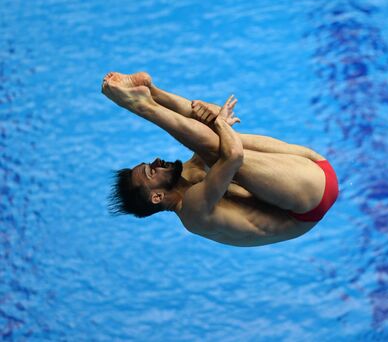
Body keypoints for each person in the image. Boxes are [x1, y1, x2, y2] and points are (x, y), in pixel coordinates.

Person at [102, 71, 338, 247]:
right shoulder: (193, 212)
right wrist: (219, 123)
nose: (154, 162)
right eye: (150, 172)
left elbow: (212, 122)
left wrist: (215, 119)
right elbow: (233, 155)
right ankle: (142, 106)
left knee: (210, 134)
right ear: (157, 197)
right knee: (217, 147)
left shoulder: (189, 171)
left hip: (312, 163)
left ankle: (153, 92)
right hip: (309, 201)